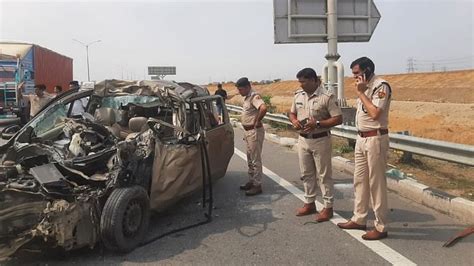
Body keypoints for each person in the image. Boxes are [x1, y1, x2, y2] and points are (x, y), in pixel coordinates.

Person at [337, 57, 392, 241]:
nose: (355, 78)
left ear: (367, 70)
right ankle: (359, 218)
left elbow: (376, 113)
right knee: (360, 180)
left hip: (375, 138)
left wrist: (361, 94)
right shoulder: (365, 87)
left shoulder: (380, 86)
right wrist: (362, 91)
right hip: (361, 139)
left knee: (376, 184)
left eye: (357, 74)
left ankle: (381, 226)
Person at [289, 68, 342, 222]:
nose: (301, 84)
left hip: (321, 139)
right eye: (300, 81)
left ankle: (328, 207)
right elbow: (292, 113)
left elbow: (338, 118)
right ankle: (310, 202)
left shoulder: (327, 97)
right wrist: (294, 121)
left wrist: (317, 123)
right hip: (303, 139)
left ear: (313, 80)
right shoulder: (298, 95)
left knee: (324, 175)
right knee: (306, 174)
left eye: (304, 81)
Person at [236, 77, 267, 196]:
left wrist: (258, 120)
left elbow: (263, 108)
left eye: (241, 89)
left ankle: (257, 185)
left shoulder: (254, 97)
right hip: (248, 132)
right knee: (249, 158)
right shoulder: (247, 98)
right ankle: (252, 181)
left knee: (255, 159)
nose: (240, 92)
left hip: (254, 131)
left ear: (248, 87)